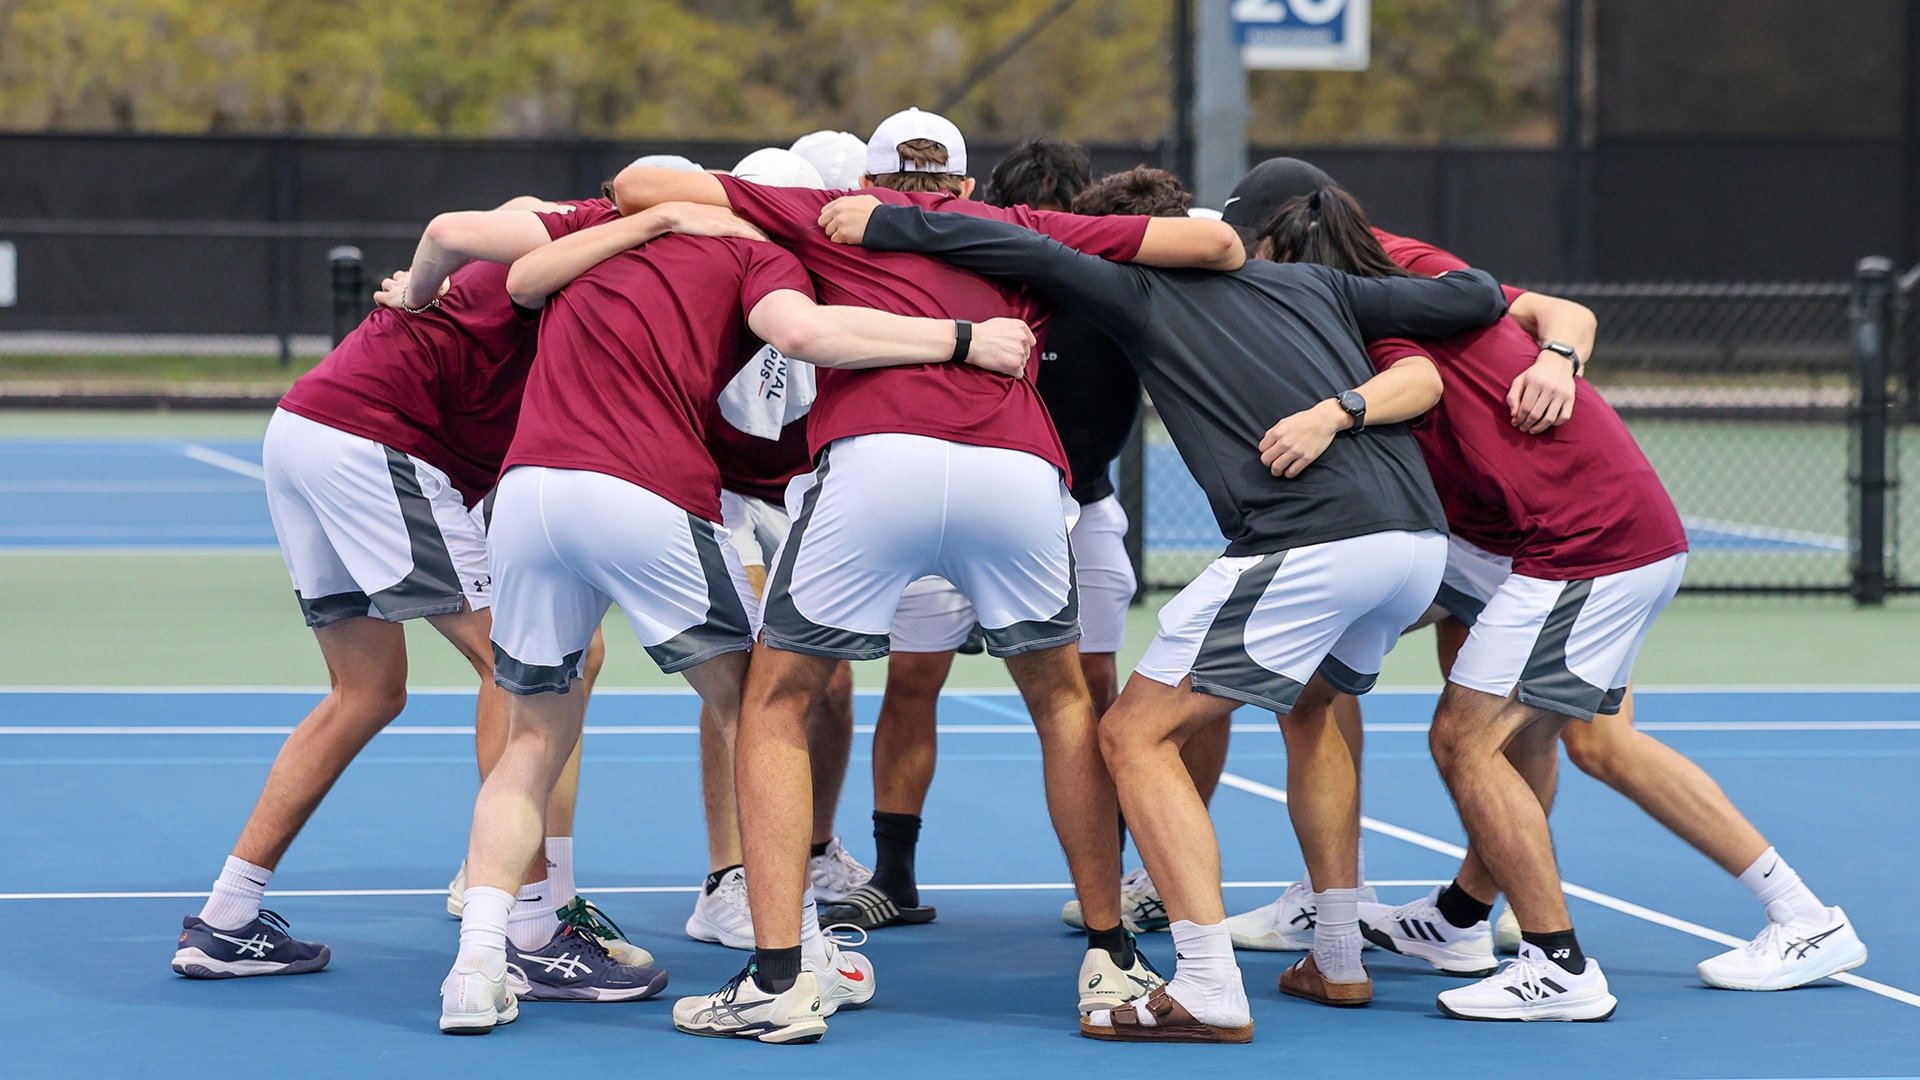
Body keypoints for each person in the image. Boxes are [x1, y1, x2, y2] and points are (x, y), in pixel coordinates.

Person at [613, 106, 1242, 1038]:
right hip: (1018, 468)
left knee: (778, 700)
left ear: (869, 183)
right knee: (1066, 704)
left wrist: (810, 213)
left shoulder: (823, 212)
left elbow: (637, 183)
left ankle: (781, 977)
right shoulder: (1017, 227)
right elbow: (1218, 243)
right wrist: (956, 226)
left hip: (879, 460)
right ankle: (1110, 960)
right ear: (965, 186)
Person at [823, 189, 1508, 1040]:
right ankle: (1337, 958)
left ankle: (1209, 984)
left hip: (1311, 537)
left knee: (1132, 735)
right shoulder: (1319, 287)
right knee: (1313, 707)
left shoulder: (1140, 290)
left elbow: (1026, 251)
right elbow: (1475, 294)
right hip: (1416, 541)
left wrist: (885, 220)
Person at [1235, 160, 1866, 1007]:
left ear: (1284, 239)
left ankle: (1564, 965)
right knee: (1578, 740)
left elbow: (1511, 333)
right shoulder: (1367, 276)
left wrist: (1557, 358)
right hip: (1522, 539)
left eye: (1251, 248)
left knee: (1466, 738)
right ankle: (1460, 918)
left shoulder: (1386, 278)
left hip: (1584, 541)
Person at [437, 173, 1041, 1036]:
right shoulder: (757, 252)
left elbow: (516, 272)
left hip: (528, 496)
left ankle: (476, 968)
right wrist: (962, 338)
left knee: (531, 738)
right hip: (639, 490)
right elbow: (807, 333)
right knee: (764, 710)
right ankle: (795, 952)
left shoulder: (603, 234)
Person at [170, 191, 640, 981]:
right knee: (521, 670)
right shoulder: (582, 248)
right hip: (372, 441)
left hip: (307, 427)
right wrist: (424, 283)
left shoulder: (569, 254)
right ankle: (529, 934)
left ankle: (225, 917)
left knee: (367, 690)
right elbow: (457, 235)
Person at [684, 148, 873, 951]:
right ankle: (728, 880)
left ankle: (816, 849)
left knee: (830, 682)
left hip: (800, 492)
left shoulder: (853, 276)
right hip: (718, 489)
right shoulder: (735, 264)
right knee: (752, 668)